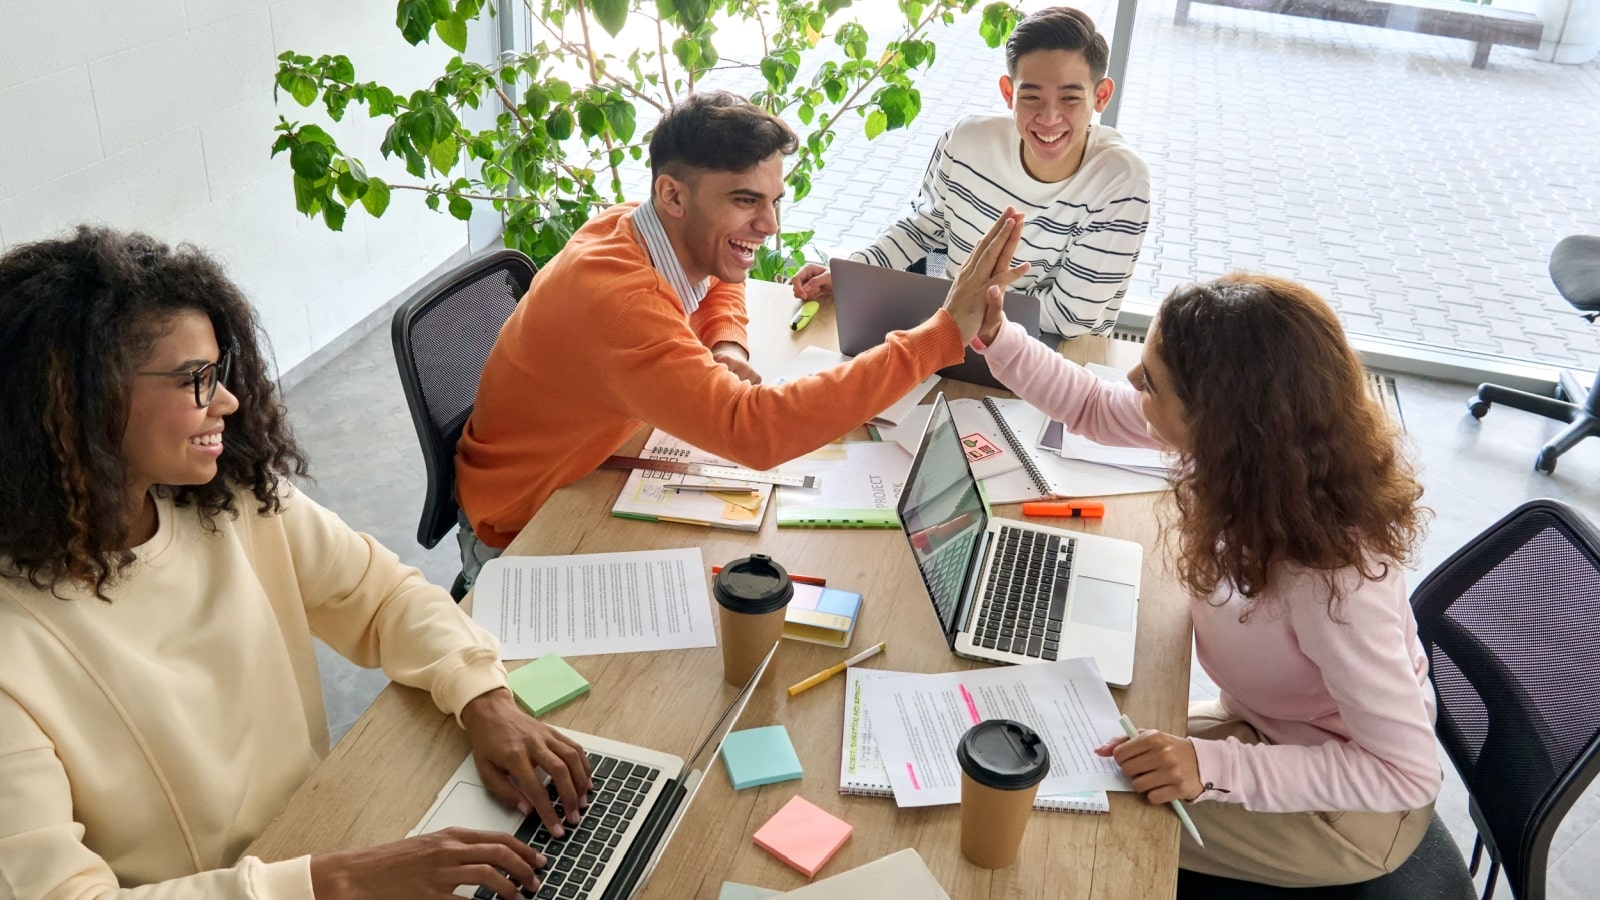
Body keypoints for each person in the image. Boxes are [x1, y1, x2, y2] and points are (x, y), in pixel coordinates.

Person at [0, 227, 597, 899]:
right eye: (196, 380)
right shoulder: (14, 647)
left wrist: (483, 696)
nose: (226, 400)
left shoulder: (233, 498)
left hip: (321, 836)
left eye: (219, 371)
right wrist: (334, 880)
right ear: (79, 403)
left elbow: (384, 597)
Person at [973, 274, 1440, 886]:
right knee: (1058, 753)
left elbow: (1404, 773)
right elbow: (1090, 405)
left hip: (1350, 812)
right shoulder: (1249, 457)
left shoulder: (1333, 581)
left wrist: (1211, 764)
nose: (1133, 383)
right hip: (1266, 730)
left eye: (1151, 380)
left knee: (1066, 813)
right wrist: (996, 336)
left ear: (1219, 418)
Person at [455, 90, 1027, 568]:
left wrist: (724, 340)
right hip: (521, 529)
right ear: (672, 195)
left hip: (588, 467)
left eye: (774, 200)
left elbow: (718, 273)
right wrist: (940, 336)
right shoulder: (623, 306)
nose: (769, 225)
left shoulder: (630, 226)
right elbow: (755, 432)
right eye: (745, 201)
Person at [790, 6, 1151, 338]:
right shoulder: (965, 141)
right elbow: (924, 230)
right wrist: (853, 272)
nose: (1049, 117)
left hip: (1049, 353)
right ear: (1008, 93)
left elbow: (1071, 318)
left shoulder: (1121, 179)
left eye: (1070, 98)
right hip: (954, 333)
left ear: (1100, 96)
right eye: (1031, 97)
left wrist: (961, 306)